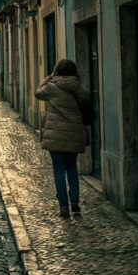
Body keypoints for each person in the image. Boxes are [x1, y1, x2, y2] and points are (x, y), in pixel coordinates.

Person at [35, 59, 92, 219]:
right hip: (73, 133)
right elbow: (86, 99)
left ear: (57, 71)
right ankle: (75, 202)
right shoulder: (79, 88)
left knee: (59, 171)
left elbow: (38, 92)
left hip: (55, 135)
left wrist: (49, 77)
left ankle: (63, 207)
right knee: (72, 169)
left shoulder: (52, 88)